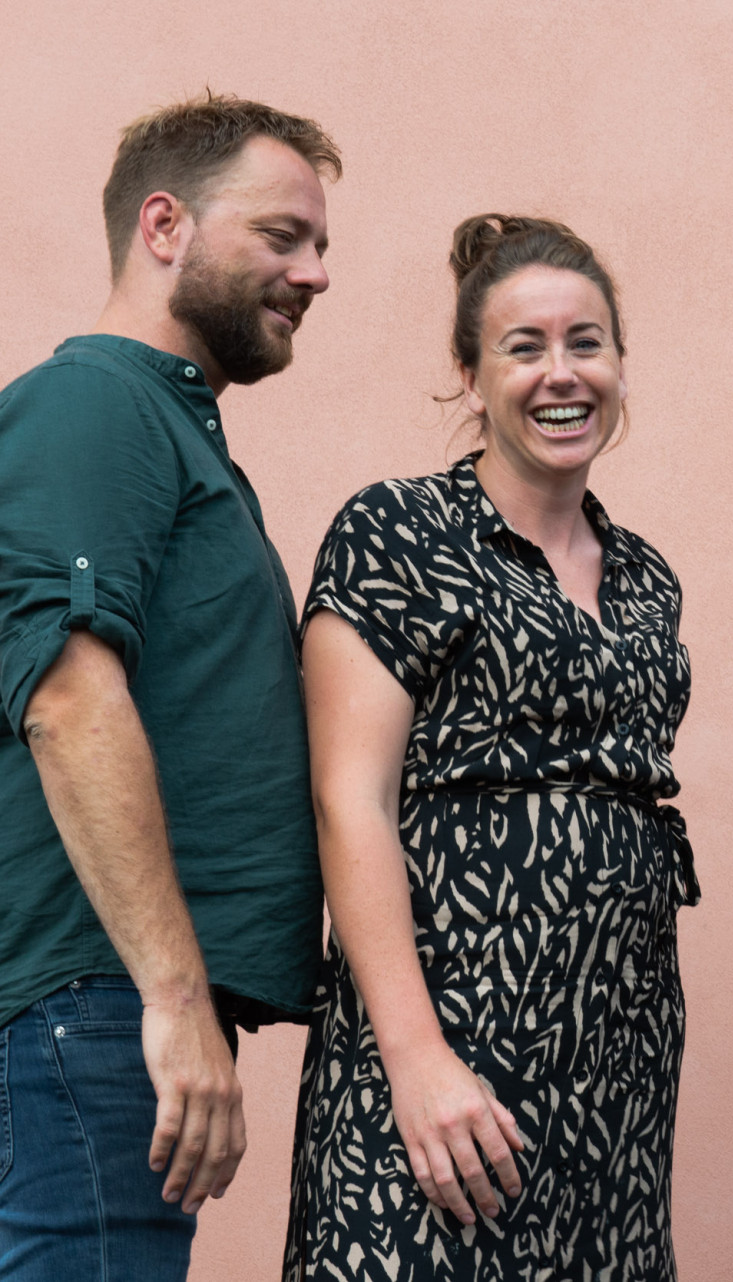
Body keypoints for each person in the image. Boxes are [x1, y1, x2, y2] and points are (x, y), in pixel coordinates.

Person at [283, 216, 699, 1280]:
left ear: (619, 365)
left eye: (586, 343)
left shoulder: (647, 578)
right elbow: (349, 801)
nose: (562, 374)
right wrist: (417, 1061)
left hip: (617, 1068)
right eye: (524, 347)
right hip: (449, 1048)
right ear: (469, 377)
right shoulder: (399, 531)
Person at [0, 94, 338, 1279]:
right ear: (164, 225)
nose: (316, 272)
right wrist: (174, 998)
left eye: (321, 244)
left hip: (105, 1008)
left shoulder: (170, 429)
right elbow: (66, 700)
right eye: (282, 235)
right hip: (93, 1006)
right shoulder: (92, 402)